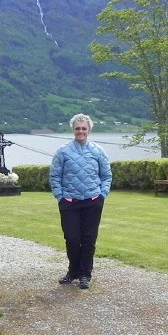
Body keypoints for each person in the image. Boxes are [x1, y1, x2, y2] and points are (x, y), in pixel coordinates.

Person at [49, 113, 112, 289]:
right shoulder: (63, 151)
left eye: (84, 128)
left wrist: (102, 195)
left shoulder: (98, 151)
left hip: (93, 201)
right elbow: (55, 176)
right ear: (73, 130)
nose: (81, 131)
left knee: (89, 239)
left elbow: (106, 176)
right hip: (69, 202)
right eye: (78, 128)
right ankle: (73, 271)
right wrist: (60, 197)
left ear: (89, 130)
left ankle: (85, 274)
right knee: (72, 238)